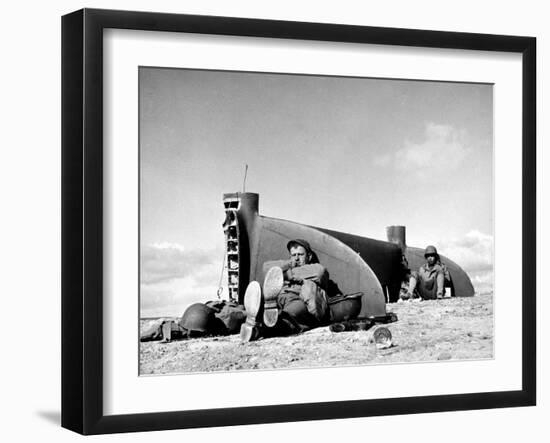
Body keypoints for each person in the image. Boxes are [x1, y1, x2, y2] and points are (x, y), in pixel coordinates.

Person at [240, 239, 330, 342]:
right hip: (277, 298)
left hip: (298, 299)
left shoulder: (316, 268)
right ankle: (258, 319)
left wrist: (285, 275)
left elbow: (320, 273)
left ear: (309, 256)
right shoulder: (290, 264)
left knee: (288, 316)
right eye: (293, 255)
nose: (296, 258)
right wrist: (289, 264)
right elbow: (266, 268)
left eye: (300, 255)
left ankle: (259, 330)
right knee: (266, 312)